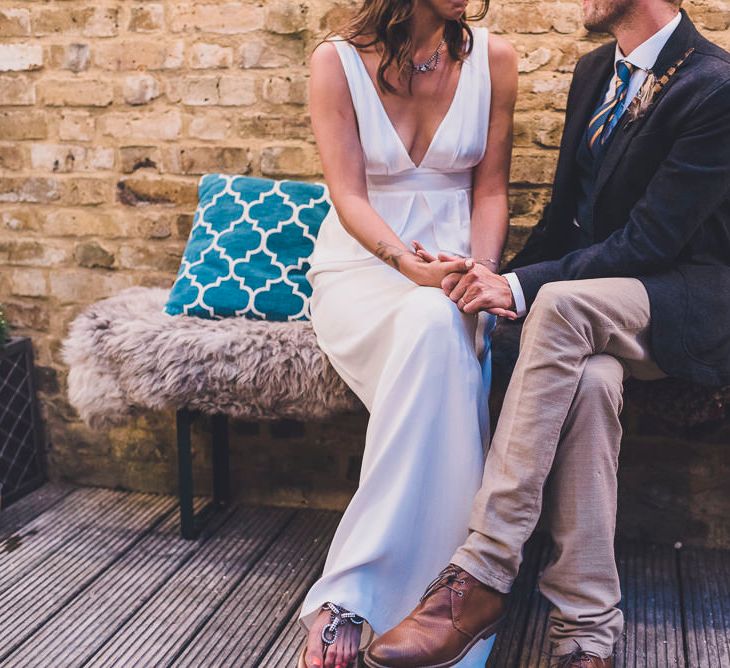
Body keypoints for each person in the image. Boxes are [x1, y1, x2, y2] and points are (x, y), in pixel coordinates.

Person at [365, 1, 730, 667]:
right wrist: (489, 281)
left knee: (558, 308)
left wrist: (524, 290)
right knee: (588, 380)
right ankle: (586, 634)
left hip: (688, 300)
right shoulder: (596, 71)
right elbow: (566, 219)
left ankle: (481, 571)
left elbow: (654, 240)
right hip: (597, 306)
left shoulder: (715, 86)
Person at [296, 1, 518, 667]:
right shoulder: (334, 63)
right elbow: (350, 194)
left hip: (457, 267)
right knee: (431, 323)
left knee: (441, 322)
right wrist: (406, 265)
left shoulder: (496, 61)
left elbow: (491, 191)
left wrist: (480, 273)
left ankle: (353, 599)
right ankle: (447, 608)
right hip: (365, 267)